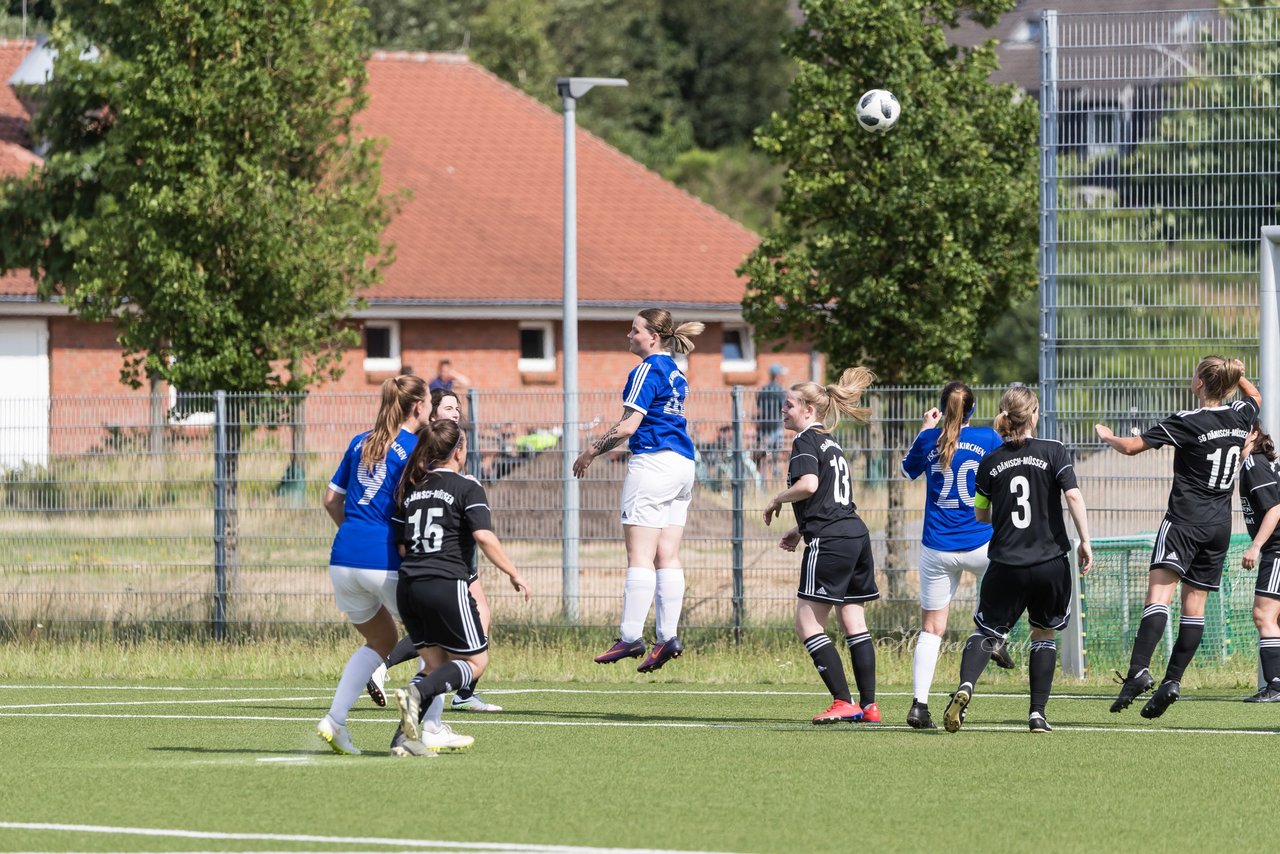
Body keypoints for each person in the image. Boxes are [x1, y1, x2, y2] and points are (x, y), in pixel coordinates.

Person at [1097, 356, 1260, 718]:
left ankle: (1139, 669)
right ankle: (1173, 680)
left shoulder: (1189, 421)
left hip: (1184, 522)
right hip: (1218, 527)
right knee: (1194, 608)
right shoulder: (1240, 417)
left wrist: (1107, 436)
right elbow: (1256, 399)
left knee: (1157, 598)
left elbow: (1132, 447)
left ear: (1200, 382)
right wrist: (1242, 377)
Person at [943, 385, 1093, 734]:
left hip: (1007, 562)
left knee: (986, 630)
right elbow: (1072, 494)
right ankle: (1037, 714)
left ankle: (966, 686)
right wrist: (1085, 541)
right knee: (1044, 632)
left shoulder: (990, 462)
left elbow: (981, 516)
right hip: (1050, 561)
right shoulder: (1053, 451)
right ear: (1034, 414)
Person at [574, 308, 704, 673]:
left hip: (654, 464)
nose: (629, 336)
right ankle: (667, 637)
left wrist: (590, 451)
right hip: (683, 466)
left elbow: (629, 426)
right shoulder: (676, 372)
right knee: (667, 556)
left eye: (634, 330)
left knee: (640, 556)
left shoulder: (646, 369)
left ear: (653, 337)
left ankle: (630, 635)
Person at [391, 419, 531, 751]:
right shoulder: (467, 485)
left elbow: (400, 545)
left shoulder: (411, 486)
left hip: (408, 586)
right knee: (474, 662)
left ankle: (402, 741)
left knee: (435, 665)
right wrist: (515, 572)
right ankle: (415, 694)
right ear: (459, 451)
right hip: (445, 583)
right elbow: (483, 535)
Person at [366, 388, 505, 713]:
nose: (455, 413)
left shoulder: (431, 469)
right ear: (431, 415)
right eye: (448, 407)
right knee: (462, 641)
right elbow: (483, 535)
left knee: (445, 641)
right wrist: (514, 573)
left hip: (424, 567)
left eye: (458, 408)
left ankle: (419, 723)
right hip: (443, 561)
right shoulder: (433, 465)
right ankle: (448, 697)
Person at [763, 367, 882, 724]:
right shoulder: (832, 442)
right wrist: (800, 530)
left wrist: (777, 499)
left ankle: (843, 701)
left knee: (806, 622)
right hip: (855, 535)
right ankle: (870, 706)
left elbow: (811, 485)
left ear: (809, 411)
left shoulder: (805, 441)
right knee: (852, 619)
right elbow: (830, 494)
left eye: (788, 406)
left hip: (830, 540)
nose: (783, 411)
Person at [315, 375, 426, 756]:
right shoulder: (414, 447)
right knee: (437, 643)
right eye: (427, 403)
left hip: (343, 556)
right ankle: (429, 729)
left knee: (380, 641)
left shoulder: (359, 441)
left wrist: (353, 534)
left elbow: (331, 500)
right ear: (417, 407)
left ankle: (335, 720)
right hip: (382, 559)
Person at [899, 382, 1012, 731]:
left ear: (941, 409)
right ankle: (996, 638)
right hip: (981, 542)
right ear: (973, 411)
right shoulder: (988, 438)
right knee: (1009, 593)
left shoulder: (928, 438)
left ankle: (919, 705)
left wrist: (924, 430)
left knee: (931, 630)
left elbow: (907, 471)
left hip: (937, 546)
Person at [1237, 422, 1280, 702]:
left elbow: (1275, 508)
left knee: (1263, 615)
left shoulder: (1253, 463)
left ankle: (1275, 685)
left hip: (1277, 549)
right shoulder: (1254, 463)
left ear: (1253, 435)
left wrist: (1255, 546)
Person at [754, 364, 788, 480]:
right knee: (775, 456)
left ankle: (762, 479)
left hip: (764, 427)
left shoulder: (763, 389)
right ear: (778, 375)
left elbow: (758, 405)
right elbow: (784, 407)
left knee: (763, 456)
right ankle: (775, 476)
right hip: (776, 426)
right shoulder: (780, 390)